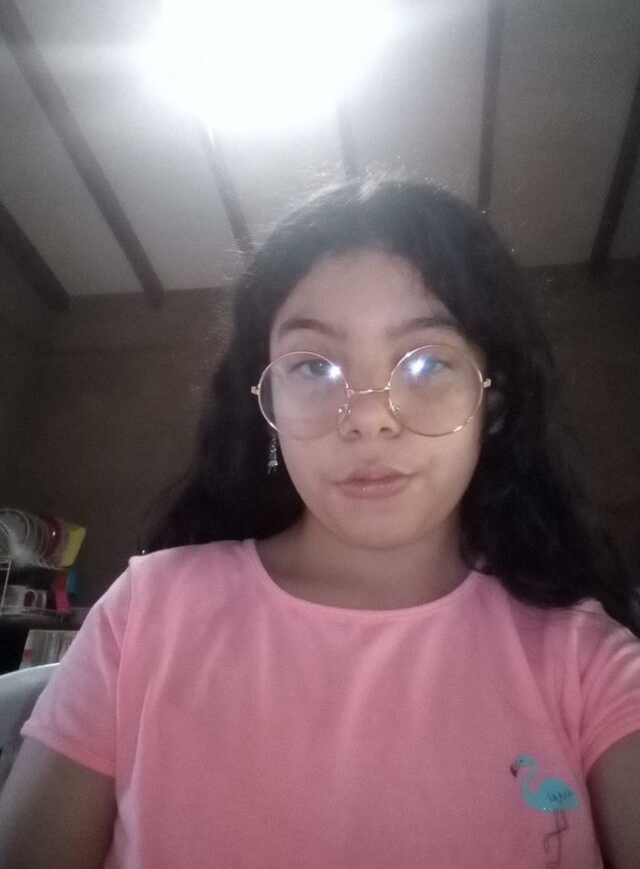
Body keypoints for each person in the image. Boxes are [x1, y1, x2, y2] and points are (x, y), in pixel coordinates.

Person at [0, 179, 639, 869]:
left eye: (428, 361)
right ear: (267, 405)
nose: (368, 416)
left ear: (493, 400)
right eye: (312, 365)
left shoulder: (587, 660)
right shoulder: (146, 612)